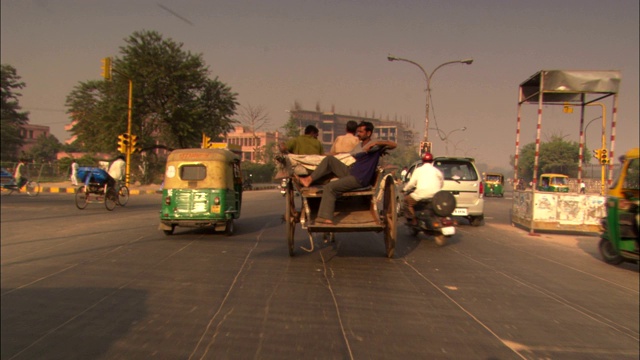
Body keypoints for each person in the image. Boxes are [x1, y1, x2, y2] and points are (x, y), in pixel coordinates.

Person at [296, 121, 397, 224]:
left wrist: (376, 143)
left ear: (369, 133)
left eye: (361, 132)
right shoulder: (359, 145)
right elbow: (348, 155)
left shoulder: (375, 146)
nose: (358, 134)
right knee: (330, 160)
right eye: (358, 131)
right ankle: (309, 179)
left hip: (359, 178)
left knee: (330, 187)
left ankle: (326, 217)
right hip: (351, 172)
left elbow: (394, 145)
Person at [402, 153, 444, 226]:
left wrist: (404, 189)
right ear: (432, 161)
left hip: (420, 194)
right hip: (435, 196)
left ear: (423, 161)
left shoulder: (418, 170)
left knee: (406, 201)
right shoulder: (437, 171)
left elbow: (411, 183)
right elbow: (441, 183)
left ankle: (413, 219)